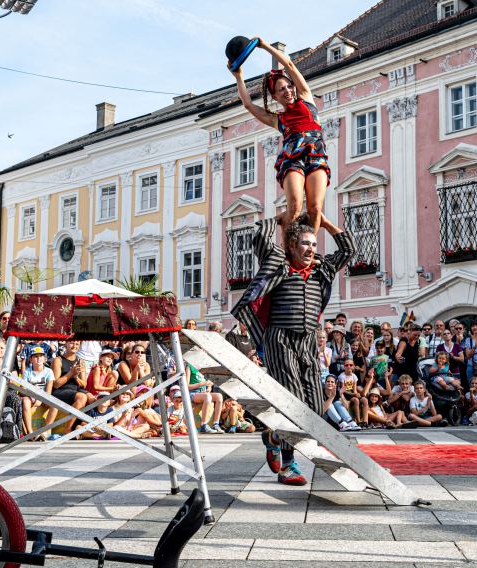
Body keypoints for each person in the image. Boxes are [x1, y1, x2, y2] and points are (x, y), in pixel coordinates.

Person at [231, 211, 354, 485]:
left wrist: (323, 219)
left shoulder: (322, 268)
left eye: (314, 244)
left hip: (308, 340)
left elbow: (348, 249)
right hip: (280, 339)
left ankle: (274, 436)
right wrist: (281, 217)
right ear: (292, 246)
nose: (310, 249)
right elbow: (259, 238)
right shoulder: (279, 264)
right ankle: (289, 465)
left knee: (313, 409)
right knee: (293, 404)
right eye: (305, 244)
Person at [231, 41, 330, 232]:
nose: (288, 91)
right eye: (281, 89)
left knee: (315, 208)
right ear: (275, 97)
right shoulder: (278, 119)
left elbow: (290, 65)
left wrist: (265, 46)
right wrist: (239, 76)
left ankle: (308, 252)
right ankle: (289, 254)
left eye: (288, 86)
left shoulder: (306, 97)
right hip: (292, 158)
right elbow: (248, 105)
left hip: (316, 155)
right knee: (294, 207)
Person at [51, 340, 88, 438]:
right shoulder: (58, 360)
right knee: (82, 397)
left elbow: (84, 384)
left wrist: (76, 377)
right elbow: (56, 384)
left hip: (75, 389)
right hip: (60, 391)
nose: (74, 346)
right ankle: (67, 430)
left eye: (77, 344)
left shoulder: (81, 361)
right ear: (66, 344)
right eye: (72, 343)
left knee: (92, 398)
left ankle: (86, 429)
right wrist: (70, 373)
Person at [21, 346, 55, 439]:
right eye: (35, 356)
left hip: (43, 396)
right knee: (25, 401)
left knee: (55, 405)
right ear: (31, 359)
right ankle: (30, 432)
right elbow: (23, 388)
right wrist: (33, 397)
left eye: (41, 356)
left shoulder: (49, 371)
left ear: (45, 359)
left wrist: (40, 399)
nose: (38, 358)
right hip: (30, 396)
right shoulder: (27, 372)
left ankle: (44, 431)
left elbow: (48, 391)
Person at [186, 361, 224, 434]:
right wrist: (201, 384)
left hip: (204, 392)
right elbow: (186, 386)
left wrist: (209, 387)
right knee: (207, 397)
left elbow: (209, 382)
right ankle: (204, 425)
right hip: (193, 393)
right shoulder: (189, 367)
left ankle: (216, 424)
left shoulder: (204, 366)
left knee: (219, 396)